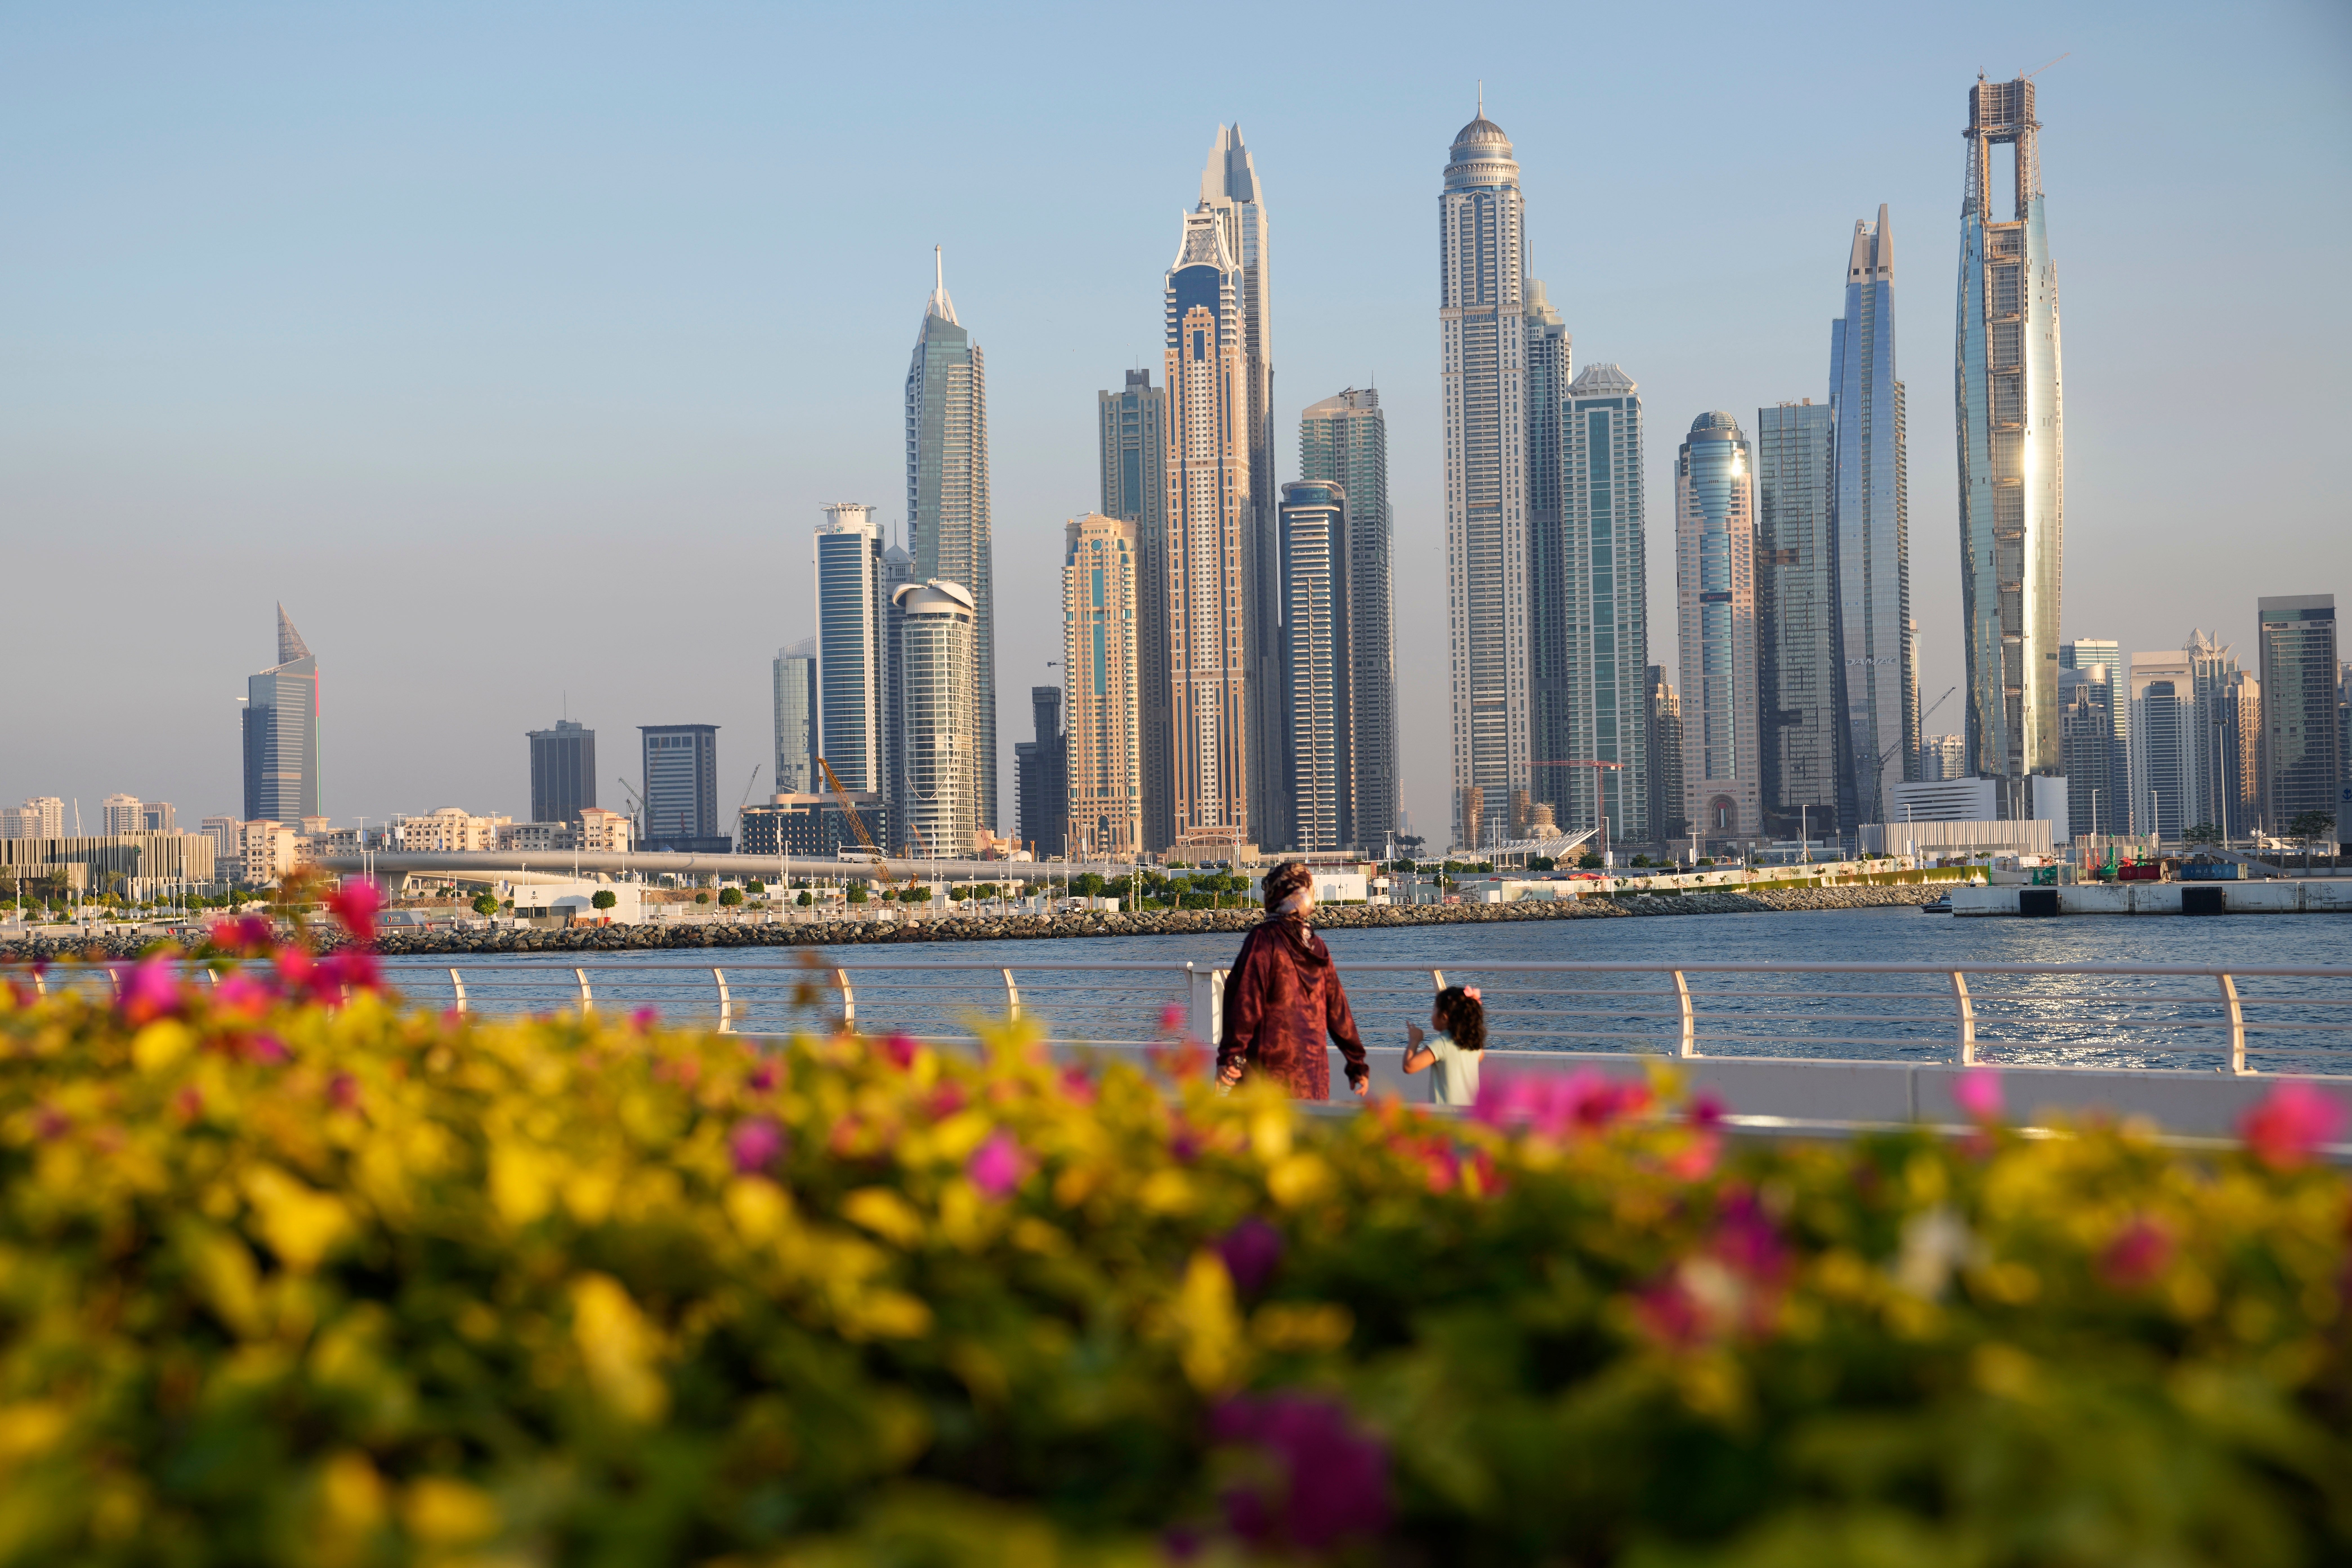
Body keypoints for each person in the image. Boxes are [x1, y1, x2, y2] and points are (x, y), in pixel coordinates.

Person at [1216, 861, 1370, 1100]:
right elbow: (1338, 1010)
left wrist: (1231, 1057)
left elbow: (1245, 1004)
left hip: (1268, 1076)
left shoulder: (1264, 941)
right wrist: (1357, 1064)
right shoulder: (1317, 946)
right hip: (1313, 1077)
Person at [1402, 986, 1485, 1106]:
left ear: (1444, 1018)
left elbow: (1410, 1066)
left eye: (1435, 1010)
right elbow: (1480, 1057)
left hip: (1447, 1116)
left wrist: (1414, 1040)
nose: (1432, 1014)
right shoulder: (1474, 1044)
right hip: (1471, 1115)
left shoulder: (1443, 1043)